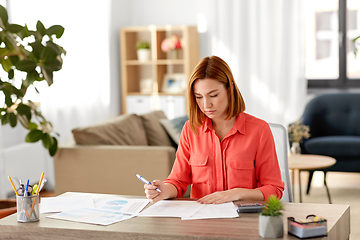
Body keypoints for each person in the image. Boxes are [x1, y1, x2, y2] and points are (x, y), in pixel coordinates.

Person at [144, 55, 284, 204]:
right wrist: (164, 190)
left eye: (213, 95)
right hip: (201, 218)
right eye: (199, 97)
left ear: (229, 89)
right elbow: (178, 181)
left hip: (244, 218)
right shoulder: (190, 130)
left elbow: (274, 189)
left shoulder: (259, 130)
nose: (206, 105)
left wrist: (237, 193)